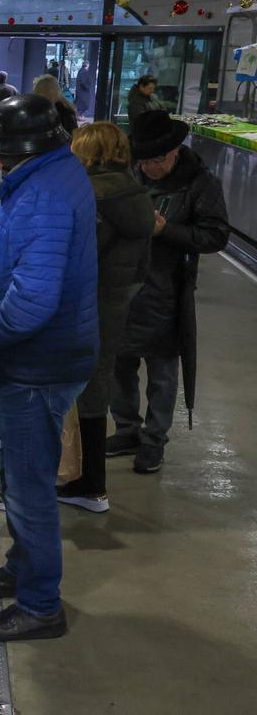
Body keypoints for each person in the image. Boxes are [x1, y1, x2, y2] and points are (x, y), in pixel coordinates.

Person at [0, 94, 98, 642]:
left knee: (28, 488)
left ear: (13, 149)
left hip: (36, 364)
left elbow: (33, 301)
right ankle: (22, 570)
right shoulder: (50, 173)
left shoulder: (43, 193)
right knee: (25, 478)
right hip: (43, 359)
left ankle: (41, 604)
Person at [108, 110, 230, 473]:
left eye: (157, 159)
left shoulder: (199, 183)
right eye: (143, 159)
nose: (149, 167)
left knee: (161, 372)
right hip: (123, 284)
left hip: (166, 291)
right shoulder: (130, 171)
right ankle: (127, 428)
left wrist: (167, 233)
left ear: (176, 150)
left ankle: (154, 439)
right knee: (119, 364)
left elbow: (215, 235)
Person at [53, 123, 154, 512]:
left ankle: (84, 482)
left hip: (87, 305)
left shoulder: (96, 196)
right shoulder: (132, 191)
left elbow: (77, 255)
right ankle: (90, 481)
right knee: (94, 389)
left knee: (74, 392)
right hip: (114, 303)